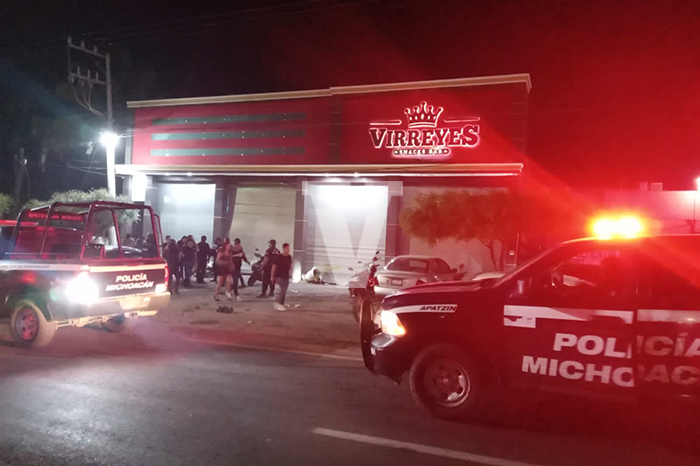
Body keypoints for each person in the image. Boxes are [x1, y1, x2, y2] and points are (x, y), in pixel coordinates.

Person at [271, 243, 292, 311]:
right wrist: (272, 276)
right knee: (281, 291)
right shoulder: (279, 257)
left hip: (286, 276)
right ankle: (280, 304)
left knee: (284, 291)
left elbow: (290, 266)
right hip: (279, 276)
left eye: (289, 249)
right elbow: (274, 266)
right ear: (284, 249)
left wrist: (290, 273)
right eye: (287, 249)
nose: (288, 250)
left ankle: (280, 303)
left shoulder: (289, 257)